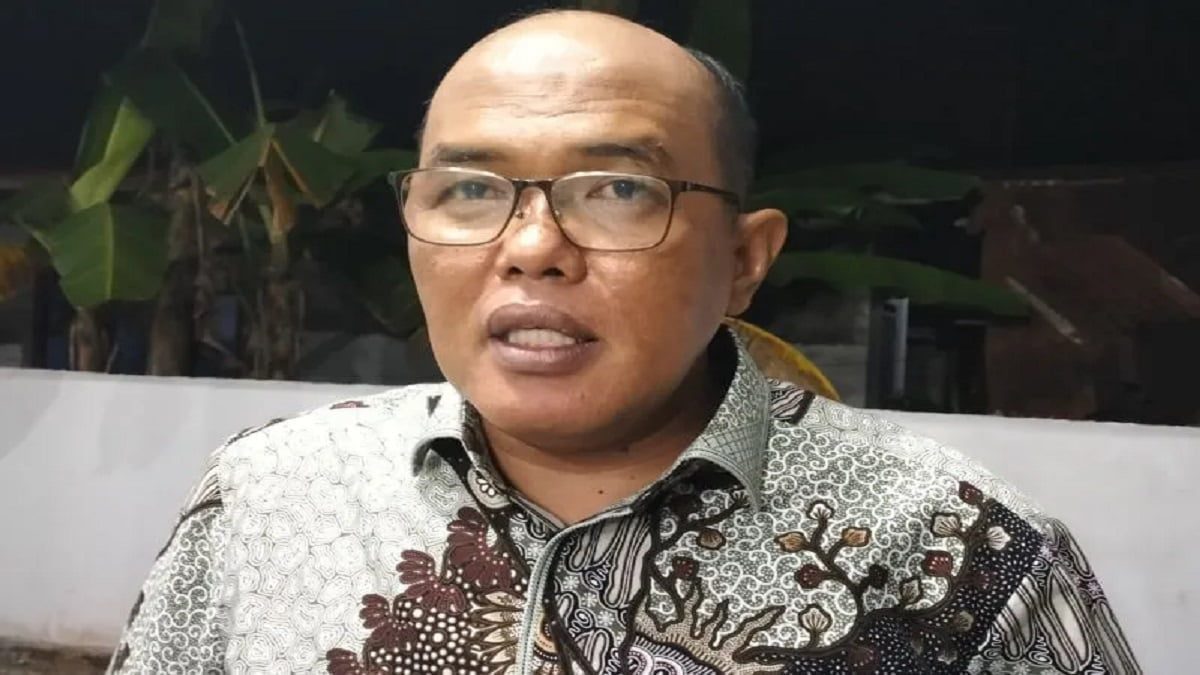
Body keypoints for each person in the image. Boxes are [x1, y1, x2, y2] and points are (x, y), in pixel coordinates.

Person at [108, 10, 1139, 674]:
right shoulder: (270, 495)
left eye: (616, 190)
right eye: (469, 190)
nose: (532, 248)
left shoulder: (961, 551)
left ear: (744, 259)